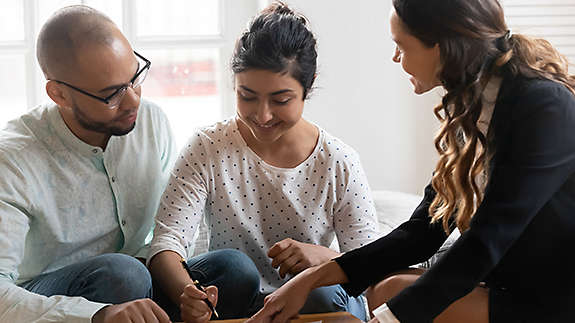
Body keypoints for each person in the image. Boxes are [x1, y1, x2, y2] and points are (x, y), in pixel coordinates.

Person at [247, 0, 575, 322]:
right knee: (384, 288)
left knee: (391, 300)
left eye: (401, 45)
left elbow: (488, 238)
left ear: (442, 47)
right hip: (509, 283)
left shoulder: (543, 105)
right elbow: (421, 233)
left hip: (552, 298)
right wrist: (309, 280)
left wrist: (387, 321)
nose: (395, 57)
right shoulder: (472, 109)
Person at [148, 2, 380, 322]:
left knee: (321, 286)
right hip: (234, 300)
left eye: (280, 100)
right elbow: (166, 242)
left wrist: (322, 258)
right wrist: (187, 292)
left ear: (307, 85)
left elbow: (374, 267)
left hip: (310, 306)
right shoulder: (207, 147)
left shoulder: (339, 162)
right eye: (247, 96)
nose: (263, 115)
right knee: (234, 267)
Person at [0, 5, 176, 323]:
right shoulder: (12, 161)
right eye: (112, 94)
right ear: (60, 95)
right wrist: (97, 315)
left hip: (138, 278)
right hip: (52, 298)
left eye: (135, 77)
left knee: (232, 270)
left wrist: (187, 285)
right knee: (124, 275)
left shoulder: (150, 121)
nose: (134, 100)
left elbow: (173, 226)